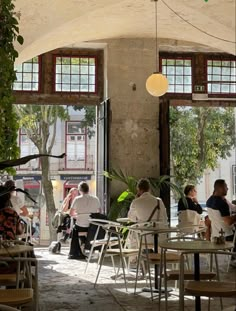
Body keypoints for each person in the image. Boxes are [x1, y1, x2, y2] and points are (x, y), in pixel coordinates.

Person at [68, 182, 101, 259]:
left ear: (80, 190)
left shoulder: (77, 199)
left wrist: (78, 216)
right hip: (92, 227)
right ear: (88, 189)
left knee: (74, 230)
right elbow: (99, 212)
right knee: (83, 228)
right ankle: (87, 246)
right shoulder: (96, 199)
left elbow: (71, 213)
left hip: (81, 226)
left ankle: (75, 251)